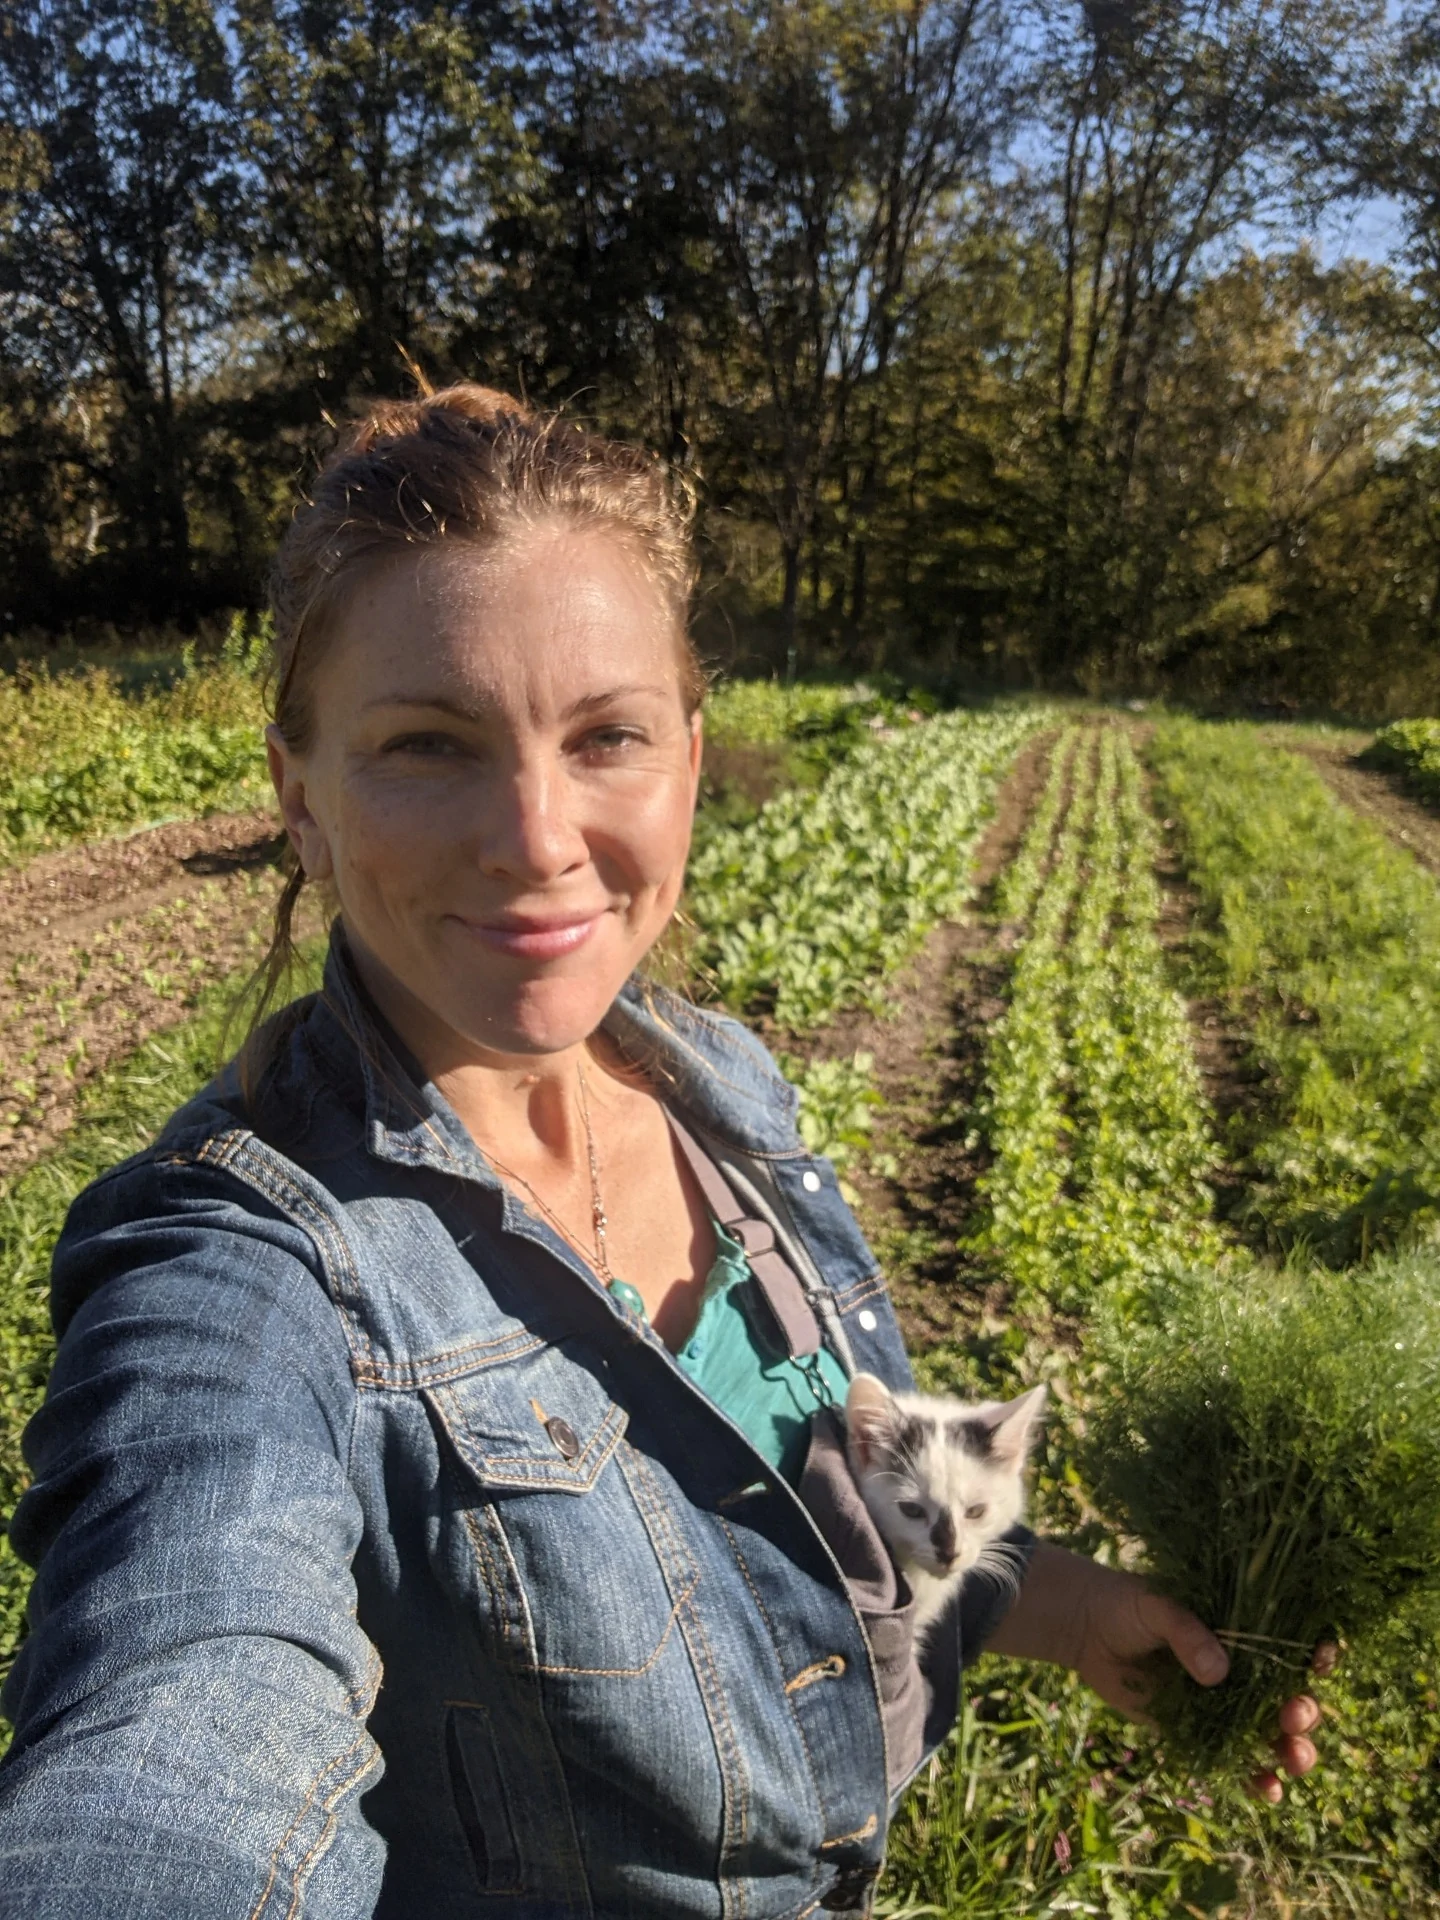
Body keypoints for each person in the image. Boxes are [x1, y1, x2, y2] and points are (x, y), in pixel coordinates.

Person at [0, 386, 1320, 1918]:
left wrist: (1053, 1602)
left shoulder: (718, 1089)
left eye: (605, 735)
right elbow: (174, 1724)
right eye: (430, 744)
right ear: (300, 793)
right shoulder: (247, 1276)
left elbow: (789, 1498)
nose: (538, 836)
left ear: (691, 755)